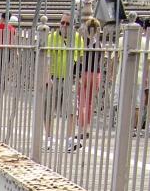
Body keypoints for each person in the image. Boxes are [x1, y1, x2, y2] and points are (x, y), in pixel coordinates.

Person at [43, 14, 84, 149]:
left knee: (72, 109)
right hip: (54, 76)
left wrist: (78, 77)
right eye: (62, 23)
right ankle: (49, 138)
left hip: (69, 78)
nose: (64, 26)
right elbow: (47, 58)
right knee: (48, 108)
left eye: (67, 23)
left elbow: (80, 60)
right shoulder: (52, 37)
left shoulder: (77, 38)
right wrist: (47, 76)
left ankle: (70, 139)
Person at [71, 17, 104, 150]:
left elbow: (78, 59)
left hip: (84, 74)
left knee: (82, 101)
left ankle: (81, 129)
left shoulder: (83, 43)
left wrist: (77, 75)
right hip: (96, 74)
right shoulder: (99, 44)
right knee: (90, 102)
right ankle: (88, 128)